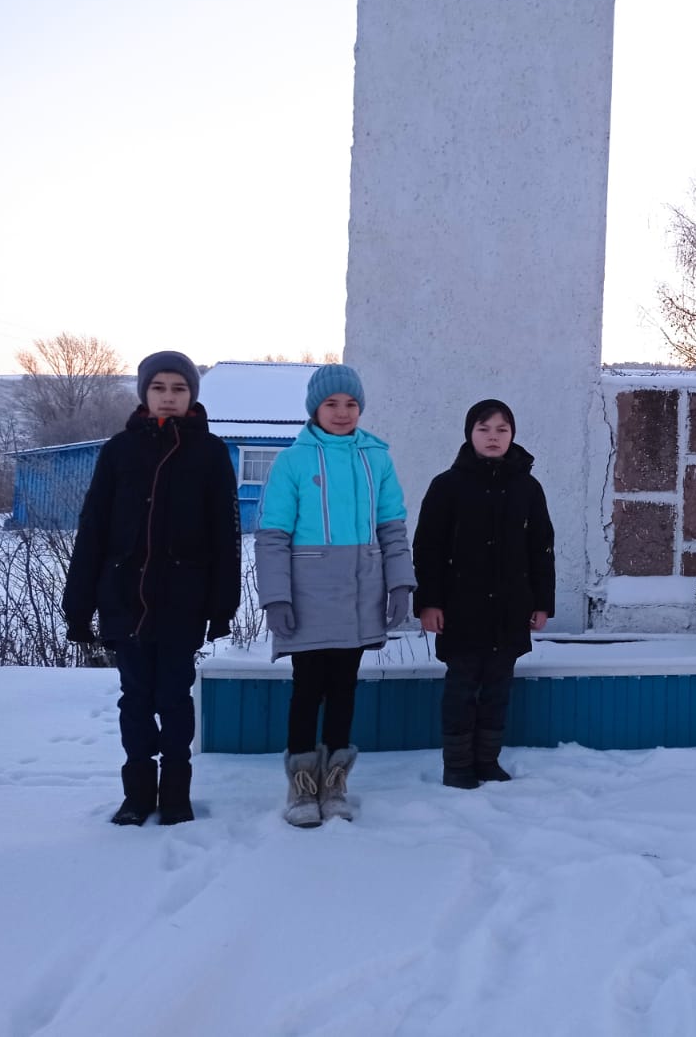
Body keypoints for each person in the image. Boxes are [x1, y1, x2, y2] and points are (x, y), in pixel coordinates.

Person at [64, 351, 240, 826]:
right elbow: (92, 528)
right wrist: (78, 606)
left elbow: (226, 533)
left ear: (191, 396)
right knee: (135, 700)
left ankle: (176, 795)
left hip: (183, 601)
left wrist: (222, 605)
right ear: (145, 392)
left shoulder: (210, 452)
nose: (168, 397)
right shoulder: (119, 450)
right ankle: (137, 796)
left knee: (175, 700)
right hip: (124, 599)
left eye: (179, 389)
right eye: (159, 387)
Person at [255, 364, 415, 827]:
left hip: (359, 596)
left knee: (344, 689)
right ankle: (303, 787)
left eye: (351, 404)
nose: (342, 412)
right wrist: (276, 597)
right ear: (314, 409)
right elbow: (272, 535)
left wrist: (400, 583)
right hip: (307, 598)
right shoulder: (292, 461)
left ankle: (335, 784)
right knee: (308, 690)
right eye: (332, 403)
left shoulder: (377, 459)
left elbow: (392, 529)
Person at [413, 399, 554, 788]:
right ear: (469, 433)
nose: (493, 437)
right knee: (461, 688)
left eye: (501, 430)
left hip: (510, 609)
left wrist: (542, 603)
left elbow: (541, 549)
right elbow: (427, 549)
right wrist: (429, 602)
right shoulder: (447, 486)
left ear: (512, 435)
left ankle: (487, 760)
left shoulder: (527, 488)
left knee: (497, 688)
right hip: (461, 610)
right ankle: (457, 766)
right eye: (484, 429)